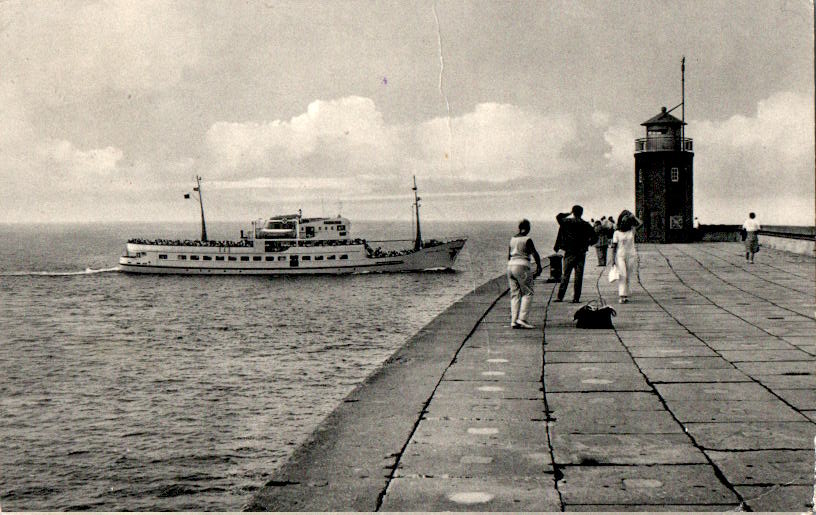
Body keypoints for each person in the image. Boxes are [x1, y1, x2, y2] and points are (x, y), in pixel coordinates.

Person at [554, 205, 598, 303]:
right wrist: (587, 243)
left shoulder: (567, 222)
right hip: (581, 253)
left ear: (573, 212)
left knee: (565, 275)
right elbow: (595, 238)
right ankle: (576, 298)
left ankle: (560, 297)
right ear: (582, 213)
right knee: (578, 276)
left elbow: (558, 216)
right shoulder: (586, 224)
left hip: (569, 252)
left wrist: (569, 213)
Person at [507, 219, 543, 329]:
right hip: (522, 266)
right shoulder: (527, 239)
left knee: (515, 294)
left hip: (510, 266)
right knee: (528, 292)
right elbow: (534, 253)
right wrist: (539, 266)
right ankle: (522, 319)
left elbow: (508, 255)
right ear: (528, 228)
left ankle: (514, 320)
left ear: (519, 228)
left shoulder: (512, 239)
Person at [610, 210, 642, 303]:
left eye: (627, 221)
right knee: (622, 274)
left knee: (628, 275)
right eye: (623, 221)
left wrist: (633, 216)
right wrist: (613, 260)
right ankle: (622, 295)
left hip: (631, 255)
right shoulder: (616, 233)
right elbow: (614, 248)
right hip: (620, 256)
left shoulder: (632, 231)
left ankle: (626, 294)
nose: (624, 223)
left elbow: (641, 224)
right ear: (620, 222)